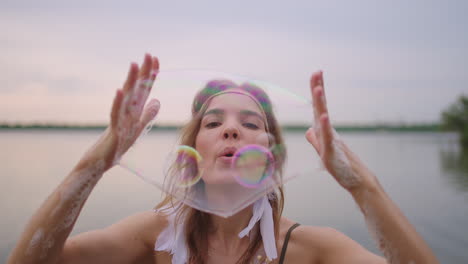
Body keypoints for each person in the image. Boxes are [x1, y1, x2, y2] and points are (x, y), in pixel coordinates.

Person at [7, 53, 438, 264]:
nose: (231, 129)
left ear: (273, 157)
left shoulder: (311, 248)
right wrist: (92, 166)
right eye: (213, 124)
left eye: (251, 124)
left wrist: (365, 187)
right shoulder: (153, 236)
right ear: (189, 156)